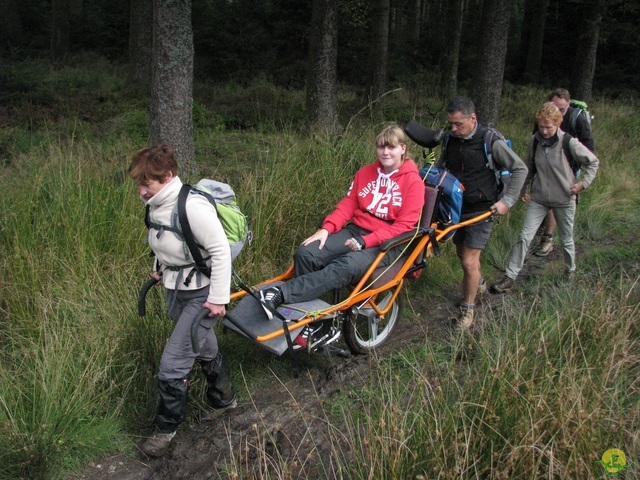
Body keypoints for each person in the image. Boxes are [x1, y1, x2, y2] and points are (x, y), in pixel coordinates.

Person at [129, 145, 236, 457]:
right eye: (139, 183)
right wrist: (159, 268)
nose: (141, 190)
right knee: (201, 343)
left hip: (203, 293)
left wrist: (218, 299)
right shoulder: (155, 205)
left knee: (173, 362)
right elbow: (163, 241)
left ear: (168, 177)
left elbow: (220, 252)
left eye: (146, 183)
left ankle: (166, 429)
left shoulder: (191, 207)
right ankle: (225, 399)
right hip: (176, 288)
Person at [258, 124, 425, 318]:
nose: (385, 152)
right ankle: (305, 315)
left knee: (345, 266)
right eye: (381, 147)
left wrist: (366, 241)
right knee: (306, 252)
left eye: (391, 147)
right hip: (356, 230)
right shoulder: (365, 173)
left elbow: (404, 226)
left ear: (403, 149)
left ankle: (280, 294)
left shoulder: (413, 182)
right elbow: (349, 204)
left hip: (388, 243)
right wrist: (327, 229)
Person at [436, 97, 528, 330]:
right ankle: (479, 284)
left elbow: (520, 168)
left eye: (459, 124)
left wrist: (507, 201)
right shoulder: (450, 140)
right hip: (456, 208)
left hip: (482, 209)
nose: (454, 129)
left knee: (469, 260)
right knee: (461, 254)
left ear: (473, 119)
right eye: (451, 124)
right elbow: (442, 167)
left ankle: (468, 311)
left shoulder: (490, 141)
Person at [491, 102, 599, 293]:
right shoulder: (535, 141)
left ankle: (570, 271)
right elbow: (528, 168)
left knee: (566, 239)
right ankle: (510, 276)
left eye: (548, 127)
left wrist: (583, 184)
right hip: (539, 198)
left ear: (557, 124)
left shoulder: (569, 142)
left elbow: (593, 162)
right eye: (541, 126)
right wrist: (523, 190)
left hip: (565, 199)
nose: (545, 131)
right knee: (524, 236)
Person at [533, 88, 595, 257]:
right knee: (545, 197)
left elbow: (589, 148)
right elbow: (536, 140)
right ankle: (545, 230)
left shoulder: (578, 118)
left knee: (556, 199)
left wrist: (582, 179)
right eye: (554, 106)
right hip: (545, 162)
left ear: (568, 105)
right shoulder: (543, 118)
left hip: (569, 165)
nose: (557, 111)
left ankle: (549, 238)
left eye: (561, 109)